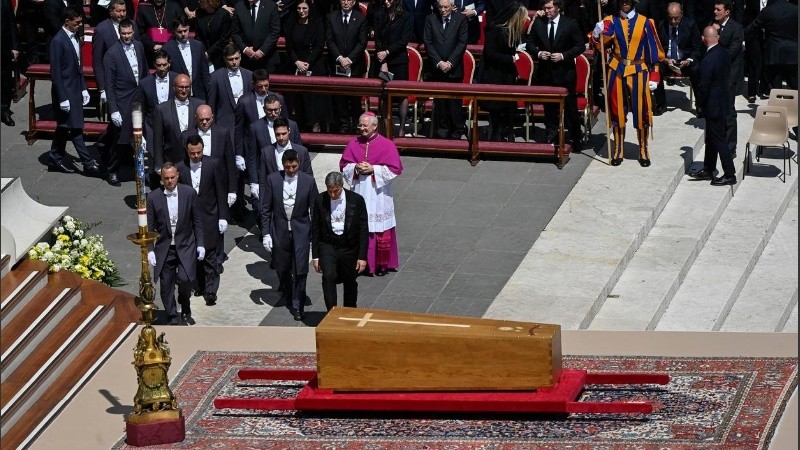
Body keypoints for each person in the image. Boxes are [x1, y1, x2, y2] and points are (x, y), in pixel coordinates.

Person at [591, 0, 664, 166]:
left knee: (642, 111)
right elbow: (600, 46)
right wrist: (596, 34)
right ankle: (618, 148)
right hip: (617, 68)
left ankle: (643, 149)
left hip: (639, 69)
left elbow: (654, 51)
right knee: (617, 110)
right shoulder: (610, 20)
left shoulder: (646, 22)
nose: (624, 3)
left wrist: (654, 76)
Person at [339, 112, 403, 276]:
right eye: (360, 125)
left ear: (375, 126)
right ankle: (360, 263)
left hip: (378, 193)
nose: (361, 128)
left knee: (379, 229)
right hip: (360, 189)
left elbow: (395, 169)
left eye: (364, 125)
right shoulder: (353, 143)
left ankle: (381, 265)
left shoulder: (387, 145)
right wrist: (355, 168)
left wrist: (373, 169)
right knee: (360, 227)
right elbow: (344, 164)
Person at [261, 149, 319, 321]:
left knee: (301, 269)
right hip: (279, 231)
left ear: (299, 164)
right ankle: (288, 291)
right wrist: (266, 233)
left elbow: (315, 210)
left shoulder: (308, 181)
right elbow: (266, 209)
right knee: (282, 266)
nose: (291, 170)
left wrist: (315, 236)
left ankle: (298, 303)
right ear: (283, 165)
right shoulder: (273, 180)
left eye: (294, 166)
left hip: (301, 231)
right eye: (288, 167)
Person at [146, 162, 206, 326]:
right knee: (166, 286)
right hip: (165, 247)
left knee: (186, 279)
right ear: (162, 179)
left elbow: (197, 221)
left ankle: (185, 306)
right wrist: (150, 249)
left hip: (186, 244)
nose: (170, 181)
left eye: (172, 177)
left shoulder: (189, 193)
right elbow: (150, 227)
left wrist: (200, 244)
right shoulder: (153, 197)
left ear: (178, 176)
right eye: (166, 178)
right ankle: (172, 316)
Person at [46, 7, 103, 177]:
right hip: (65, 92)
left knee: (64, 126)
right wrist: (62, 98)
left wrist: (84, 88)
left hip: (75, 89)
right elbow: (55, 73)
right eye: (76, 22)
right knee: (76, 128)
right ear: (67, 21)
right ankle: (88, 162)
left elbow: (78, 67)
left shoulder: (75, 37)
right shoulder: (58, 41)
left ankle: (55, 157)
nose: (80, 25)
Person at [176, 135, 230, 306]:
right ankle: (199, 285)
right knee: (194, 254)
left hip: (209, 217)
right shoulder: (180, 168)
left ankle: (211, 290)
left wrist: (223, 216)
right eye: (193, 153)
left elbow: (220, 191)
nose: (196, 156)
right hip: (189, 220)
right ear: (187, 151)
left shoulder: (213, 164)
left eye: (199, 152)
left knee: (210, 255)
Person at [526, 0, 586, 146]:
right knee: (549, 107)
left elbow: (580, 46)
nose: (546, 11)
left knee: (570, 106)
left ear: (558, 8)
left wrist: (564, 55)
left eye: (549, 8)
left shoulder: (570, 23)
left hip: (565, 72)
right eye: (544, 8)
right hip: (546, 72)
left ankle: (576, 136)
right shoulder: (539, 23)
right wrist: (539, 53)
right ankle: (551, 134)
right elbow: (529, 44)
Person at [312, 171, 369, 311]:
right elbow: (315, 228)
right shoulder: (320, 200)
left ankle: (350, 312)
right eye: (329, 191)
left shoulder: (356, 200)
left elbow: (363, 229)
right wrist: (315, 256)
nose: (332, 195)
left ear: (341, 186)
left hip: (349, 246)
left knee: (350, 280)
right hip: (328, 245)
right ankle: (332, 312)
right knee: (328, 276)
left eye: (335, 191)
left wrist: (362, 257)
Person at [102, 19, 148, 187]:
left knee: (142, 138)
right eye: (124, 34)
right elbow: (109, 84)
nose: (127, 36)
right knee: (120, 140)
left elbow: (143, 71)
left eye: (129, 33)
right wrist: (113, 110)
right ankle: (112, 170)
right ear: (119, 33)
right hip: (122, 102)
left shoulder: (139, 46)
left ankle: (142, 171)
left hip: (139, 99)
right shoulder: (112, 54)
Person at [689, 26, 736, 186]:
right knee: (711, 137)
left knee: (718, 139)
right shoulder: (723, 52)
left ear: (704, 38)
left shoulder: (708, 59)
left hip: (713, 105)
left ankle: (730, 174)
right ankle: (708, 168)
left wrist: (699, 103)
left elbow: (703, 85)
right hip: (722, 101)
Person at [479, 1, 529, 142]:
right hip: (494, 72)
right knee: (496, 104)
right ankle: (495, 132)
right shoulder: (494, 28)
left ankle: (509, 130)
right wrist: (510, 58)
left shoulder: (512, 30)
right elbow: (490, 53)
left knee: (508, 103)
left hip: (507, 73)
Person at [284, 0, 332, 133]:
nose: (301, 11)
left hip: (314, 62)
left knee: (314, 96)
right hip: (296, 62)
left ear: (309, 8)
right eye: (299, 8)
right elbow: (289, 47)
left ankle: (316, 123)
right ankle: (301, 124)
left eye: (304, 8)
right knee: (298, 97)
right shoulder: (291, 22)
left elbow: (319, 45)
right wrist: (297, 62)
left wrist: (307, 63)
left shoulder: (317, 22)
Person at [424, 0, 469, 139]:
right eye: (440, 7)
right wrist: (439, 62)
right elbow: (428, 42)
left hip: (454, 69)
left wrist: (450, 62)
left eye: (445, 7)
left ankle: (457, 131)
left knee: (455, 104)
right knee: (441, 104)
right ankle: (442, 132)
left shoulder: (460, 19)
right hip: (437, 69)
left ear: (452, 7)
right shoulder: (431, 19)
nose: (442, 10)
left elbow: (462, 42)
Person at [326, 0, 369, 134]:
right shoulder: (331, 17)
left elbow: (362, 42)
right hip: (337, 63)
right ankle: (343, 125)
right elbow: (330, 40)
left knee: (355, 98)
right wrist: (340, 58)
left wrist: (350, 59)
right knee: (340, 97)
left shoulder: (361, 17)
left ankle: (356, 124)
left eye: (348, 0)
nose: (345, 2)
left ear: (353, 2)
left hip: (355, 64)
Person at [373, 0, 414, 136]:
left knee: (402, 94)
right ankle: (386, 128)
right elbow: (378, 38)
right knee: (385, 94)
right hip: (383, 61)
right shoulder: (379, 14)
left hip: (399, 60)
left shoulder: (406, 16)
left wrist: (388, 52)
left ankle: (401, 129)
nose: (386, 2)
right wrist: (383, 59)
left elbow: (404, 39)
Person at [653, 2, 700, 115]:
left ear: (681, 14)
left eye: (676, 18)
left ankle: (700, 105)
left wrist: (689, 60)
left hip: (685, 61)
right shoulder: (660, 25)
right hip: (667, 61)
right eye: (671, 18)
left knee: (696, 70)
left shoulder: (691, 25)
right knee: (655, 70)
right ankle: (661, 104)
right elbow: (655, 48)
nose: (673, 21)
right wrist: (665, 59)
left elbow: (697, 48)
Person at [93, 0, 139, 115]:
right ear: (110, 12)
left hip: (131, 82)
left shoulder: (133, 25)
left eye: (124, 11)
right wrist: (102, 88)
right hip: (113, 82)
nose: (122, 14)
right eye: (118, 11)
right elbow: (97, 60)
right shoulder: (101, 29)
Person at [137, 50, 178, 179]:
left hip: (173, 126)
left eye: (164, 65)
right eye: (159, 65)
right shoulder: (145, 83)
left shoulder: (177, 79)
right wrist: (141, 134)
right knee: (154, 162)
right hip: (152, 127)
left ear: (169, 63)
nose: (162, 68)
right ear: (154, 64)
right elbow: (140, 109)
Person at [153, 74, 205, 171]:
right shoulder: (162, 109)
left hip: (196, 158)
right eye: (181, 87)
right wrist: (159, 164)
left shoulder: (200, 105)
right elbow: (158, 140)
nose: (184, 90)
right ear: (174, 88)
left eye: (187, 87)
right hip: (172, 159)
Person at [744, 0, 797, 92]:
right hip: (793, 53)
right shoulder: (796, 9)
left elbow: (752, 27)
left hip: (774, 54)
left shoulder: (768, 11)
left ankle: (779, 105)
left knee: (776, 89)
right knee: (795, 85)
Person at [712, 0, 743, 156]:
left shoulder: (736, 28)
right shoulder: (711, 26)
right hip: (714, 76)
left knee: (729, 112)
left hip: (729, 77)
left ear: (727, 12)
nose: (715, 12)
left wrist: (717, 37)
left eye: (718, 9)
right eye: (715, 9)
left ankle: (731, 148)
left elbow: (731, 52)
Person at [163, 16, 211, 100]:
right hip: (177, 95)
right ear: (174, 31)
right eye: (179, 31)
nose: (183, 34)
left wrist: (208, 95)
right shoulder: (167, 48)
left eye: (185, 30)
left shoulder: (198, 46)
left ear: (189, 28)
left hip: (198, 94)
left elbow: (205, 73)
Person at [208, 44, 253, 131]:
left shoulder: (249, 75)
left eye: (236, 58)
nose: (234, 62)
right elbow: (211, 104)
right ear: (224, 59)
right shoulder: (215, 77)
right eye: (230, 59)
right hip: (224, 124)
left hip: (246, 124)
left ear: (240, 57)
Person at [231, 0, 281, 72]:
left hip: (267, 59)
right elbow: (235, 33)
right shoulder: (239, 6)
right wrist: (245, 49)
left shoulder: (271, 6)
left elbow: (275, 32)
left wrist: (262, 51)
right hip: (246, 61)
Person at [135, 0, 185, 65]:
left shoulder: (175, 6)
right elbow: (139, 32)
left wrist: (168, 46)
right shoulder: (143, 7)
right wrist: (152, 45)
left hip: (172, 49)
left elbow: (181, 27)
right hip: (150, 52)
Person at [195, 0, 234, 70]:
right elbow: (198, 35)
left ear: (210, 1)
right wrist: (202, 51)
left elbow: (224, 39)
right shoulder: (199, 12)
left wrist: (209, 52)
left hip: (219, 55)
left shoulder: (223, 14)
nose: (199, 2)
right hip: (202, 53)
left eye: (202, 1)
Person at [1, 0, 20, 127]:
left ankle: (4, 110)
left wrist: (14, 46)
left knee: (5, 81)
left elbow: (12, 24)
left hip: (3, 48)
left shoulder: (4, 2)